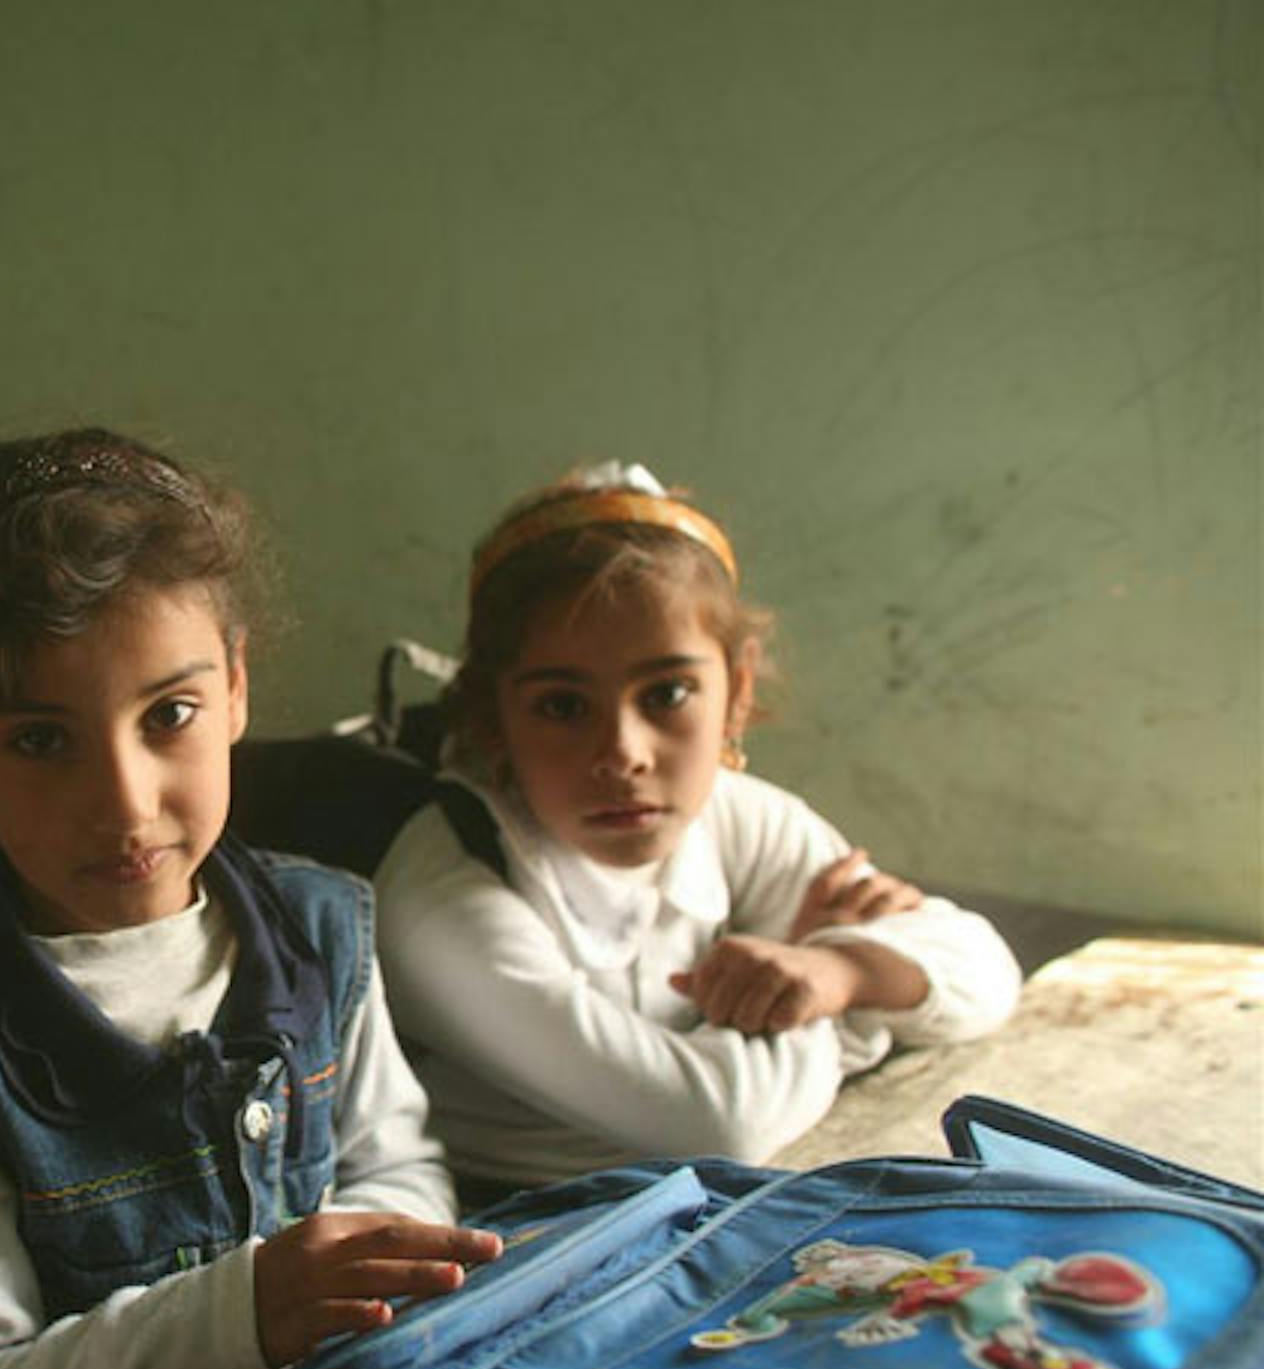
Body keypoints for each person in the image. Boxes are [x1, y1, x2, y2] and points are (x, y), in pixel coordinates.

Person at [0, 428, 493, 1369]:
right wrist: (231, 1315)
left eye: (168, 716)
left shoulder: (325, 928)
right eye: (41, 741)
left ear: (234, 688)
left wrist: (362, 1273)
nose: (125, 805)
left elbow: (398, 1160)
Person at [374, 461, 1022, 1194]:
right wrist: (850, 1003)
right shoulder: (445, 889)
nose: (623, 753)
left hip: (727, 1199)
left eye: (668, 693)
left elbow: (988, 973)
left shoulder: (733, 812)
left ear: (737, 691)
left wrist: (836, 970)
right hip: (519, 1235)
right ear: (494, 711)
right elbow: (722, 1121)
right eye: (561, 705)